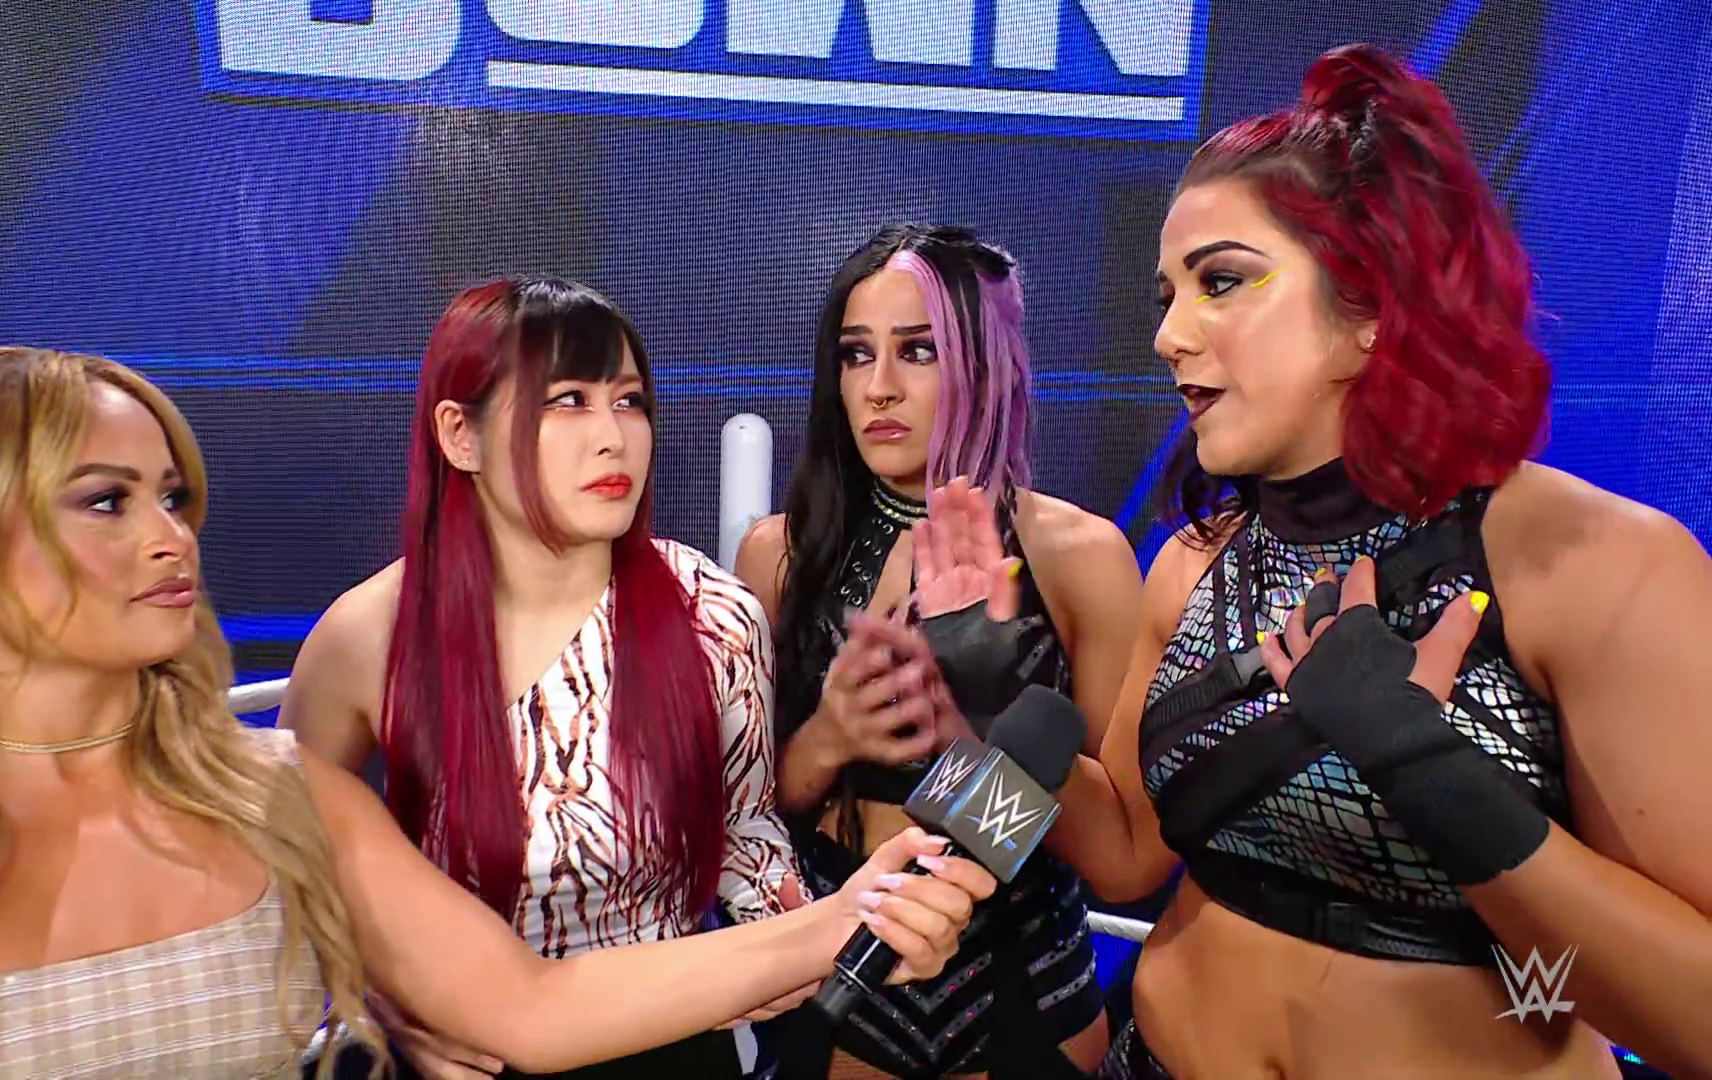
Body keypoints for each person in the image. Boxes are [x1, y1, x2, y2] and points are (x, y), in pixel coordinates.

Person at [0, 346, 997, 1078]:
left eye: (171, 496)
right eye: (106, 502)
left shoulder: (273, 795)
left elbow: (531, 1006)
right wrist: (387, 1008)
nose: (170, 537)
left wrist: (846, 914)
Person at [924, 44, 1712, 1080]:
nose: (1168, 335)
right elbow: (1122, 858)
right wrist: (987, 708)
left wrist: (1431, 774)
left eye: (1221, 282)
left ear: (1372, 306)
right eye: (1167, 295)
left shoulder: (1598, 566)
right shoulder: (1194, 563)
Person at [281, 277, 809, 1079]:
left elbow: (747, 833)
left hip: (666, 1038)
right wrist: (379, 998)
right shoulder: (369, 636)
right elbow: (296, 864)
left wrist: (793, 936)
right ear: (460, 435)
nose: (613, 438)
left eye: (628, 402)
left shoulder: (715, 615)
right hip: (464, 1054)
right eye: (568, 402)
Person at [735, 224, 1141, 1078]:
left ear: (986, 365)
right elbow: (747, 826)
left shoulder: (1079, 558)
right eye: (856, 354)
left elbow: (1119, 864)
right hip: (835, 1000)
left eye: (917, 351)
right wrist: (827, 741)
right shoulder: (779, 555)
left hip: (1022, 1005)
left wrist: (973, 735)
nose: (879, 386)